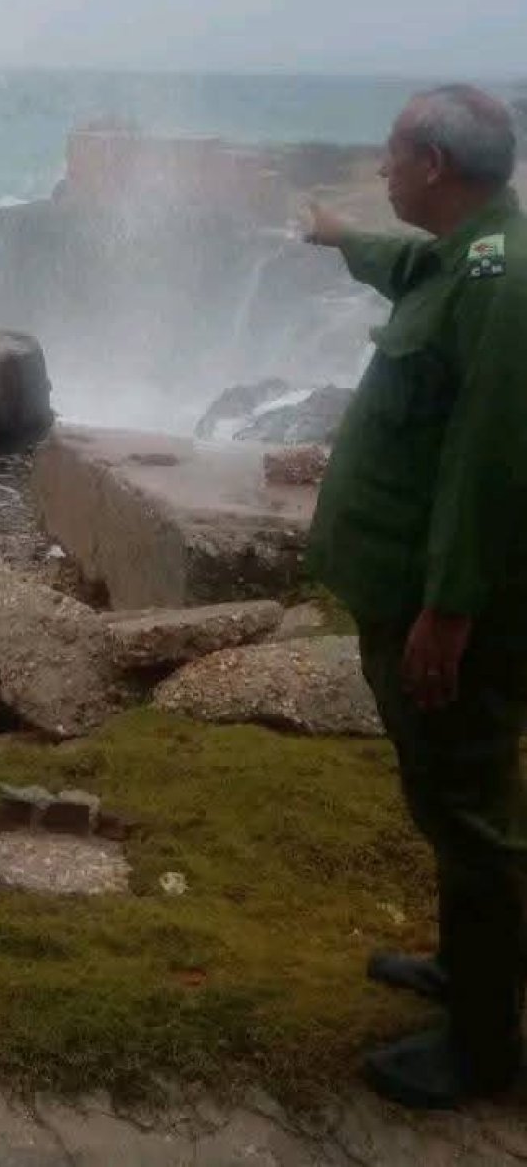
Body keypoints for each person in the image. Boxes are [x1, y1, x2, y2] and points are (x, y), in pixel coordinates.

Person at [303, 83, 527, 1110]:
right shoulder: (460, 253)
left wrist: (447, 610)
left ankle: (483, 1050)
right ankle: (467, 967)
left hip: (440, 611)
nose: (380, 165)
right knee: (447, 799)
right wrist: (340, 234)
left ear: (433, 164)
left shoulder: (499, 281)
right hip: (407, 593)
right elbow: (402, 267)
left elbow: (487, 465)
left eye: (390, 154)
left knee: (469, 810)